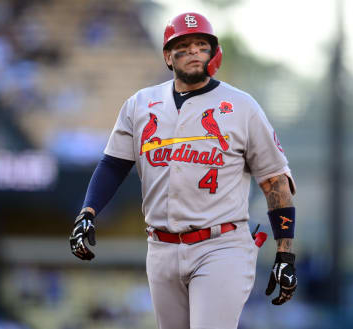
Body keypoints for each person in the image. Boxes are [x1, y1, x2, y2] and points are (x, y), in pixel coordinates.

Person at [70, 12, 298, 329]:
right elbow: (113, 164)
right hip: (161, 248)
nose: (193, 51)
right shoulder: (140, 104)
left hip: (221, 246)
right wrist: (87, 212)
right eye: (183, 45)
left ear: (213, 52)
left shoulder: (241, 106)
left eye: (201, 44)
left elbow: (275, 182)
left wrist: (285, 253)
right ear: (168, 55)